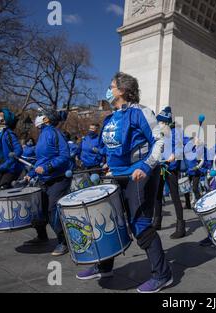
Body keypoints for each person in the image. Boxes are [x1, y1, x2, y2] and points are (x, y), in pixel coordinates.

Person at [76, 72, 173, 293]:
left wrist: (145, 166)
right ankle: (105, 267)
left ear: (122, 90)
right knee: (109, 220)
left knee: (140, 224)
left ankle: (163, 274)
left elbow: (159, 142)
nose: (108, 90)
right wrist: (107, 164)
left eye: (111, 86)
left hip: (139, 175)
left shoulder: (141, 112)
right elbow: (109, 148)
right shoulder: (111, 117)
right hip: (116, 176)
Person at [22, 108, 71, 257]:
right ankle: (42, 236)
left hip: (59, 178)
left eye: (40, 115)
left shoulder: (55, 133)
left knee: (52, 209)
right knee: (39, 208)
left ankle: (64, 242)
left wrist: (48, 167)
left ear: (46, 119)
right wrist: (30, 174)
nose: (37, 117)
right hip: (45, 180)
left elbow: (65, 156)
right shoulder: (43, 134)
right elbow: (40, 161)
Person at [152, 107, 187, 239]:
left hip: (170, 168)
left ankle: (181, 226)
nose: (159, 124)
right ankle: (157, 221)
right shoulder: (158, 133)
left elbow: (180, 148)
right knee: (157, 195)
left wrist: (174, 155)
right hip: (159, 167)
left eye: (161, 122)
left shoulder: (176, 132)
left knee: (174, 196)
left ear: (166, 122)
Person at [0, 108, 24, 189]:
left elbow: (18, 150)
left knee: (3, 189)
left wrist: (7, 163)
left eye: (0, 115)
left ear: (4, 120)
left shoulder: (7, 133)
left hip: (10, 169)